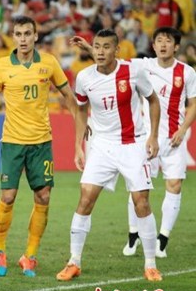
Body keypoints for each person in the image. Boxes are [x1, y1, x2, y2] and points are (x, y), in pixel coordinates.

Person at [71, 27, 196, 259]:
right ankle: (132, 236)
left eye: (167, 41)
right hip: (144, 138)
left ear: (176, 46)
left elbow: (192, 103)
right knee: (134, 191)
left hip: (171, 138)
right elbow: (109, 58)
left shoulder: (187, 73)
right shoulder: (143, 65)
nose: (163, 45)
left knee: (172, 186)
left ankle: (162, 240)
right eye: (158, 41)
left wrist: (183, 129)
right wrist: (91, 48)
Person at [57, 29, 163, 283]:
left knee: (141, 202)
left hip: (132, 144)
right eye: (97, 47)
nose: (101, 51)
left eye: (107, 47)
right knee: (85, 198)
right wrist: (78, 146)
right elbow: (81, 110)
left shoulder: (132, 71)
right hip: (102, 145)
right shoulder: (83, 78)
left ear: (117, 50)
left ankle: (150, 264)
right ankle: (74, 261)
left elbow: (153, 100)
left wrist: (153, 136)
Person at [0, 16, 78, 278]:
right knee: (8, 197)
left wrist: (80, 120)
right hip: (12, 142)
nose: (22, 38)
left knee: (43, 196)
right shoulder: (1, 66)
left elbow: (68, 94)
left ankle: (30, 255)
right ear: (13, 37)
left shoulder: (49, 63)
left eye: (27, 33)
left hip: (41, 142)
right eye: (18, 34)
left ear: (35, 36)